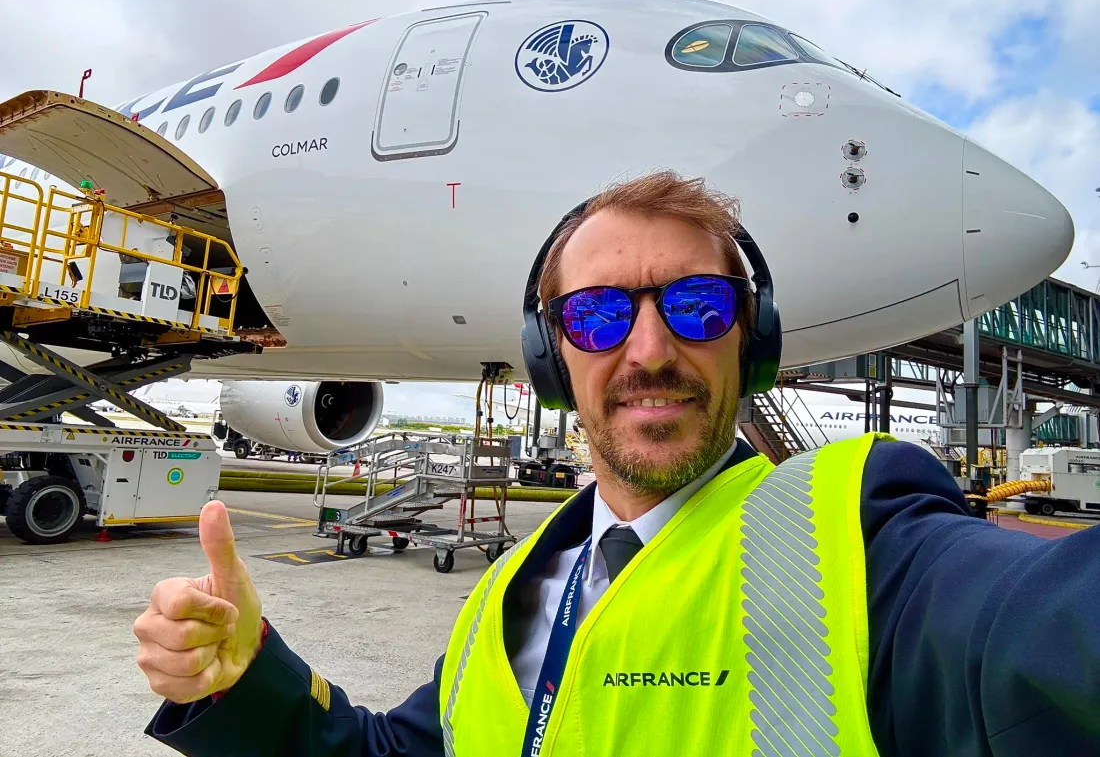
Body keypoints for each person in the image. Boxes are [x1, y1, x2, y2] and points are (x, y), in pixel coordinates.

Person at [135, 172, 1100, 756]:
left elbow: (1044, 631)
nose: (647, 351)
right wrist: (247, 679)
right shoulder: (509, 593)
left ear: (748, 343)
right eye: (598, 316)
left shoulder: (859, 537)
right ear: (556, 355)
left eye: (697, 307)